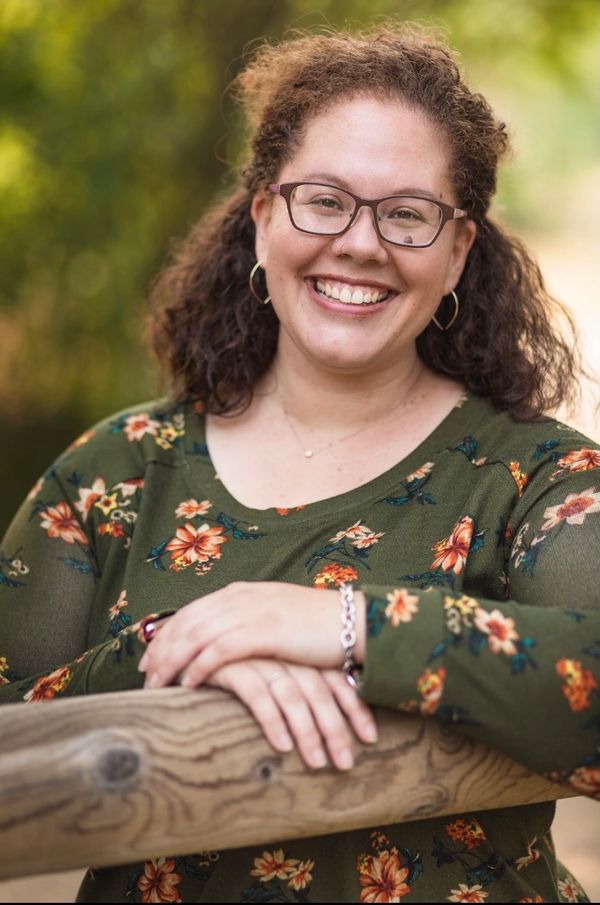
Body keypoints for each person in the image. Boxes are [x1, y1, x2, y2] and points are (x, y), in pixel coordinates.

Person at [1, 21, 599, 904]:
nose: (361, 243)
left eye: (407, 214)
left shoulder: (537, 476)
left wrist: (348, 627)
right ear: (262, 216)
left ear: (459, 249)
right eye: (323, 199)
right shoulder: (112, 475)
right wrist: (182, 649)